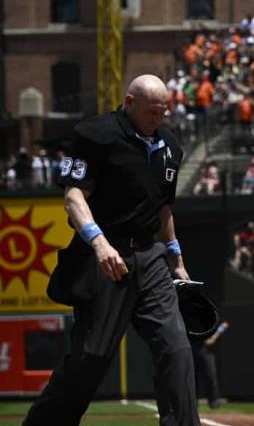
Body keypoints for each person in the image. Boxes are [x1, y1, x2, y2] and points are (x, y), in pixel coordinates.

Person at [25, 75, 199, 425]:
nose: (159, 118)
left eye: (164, 111)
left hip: (151, 259)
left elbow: (164, 209)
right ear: (129, 101)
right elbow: (73, 197)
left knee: (176, 348)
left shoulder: (169, 144)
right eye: (152, 111)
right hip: (105, 258)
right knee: (90, 358)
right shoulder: (95, 134)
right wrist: (99, 243)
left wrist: (176, 259)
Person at [194, 321, 229, 409]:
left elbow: (224, 324)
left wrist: (214, 337)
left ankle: (214, 402)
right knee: (193, 378)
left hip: (207, 349)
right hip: (193, 348)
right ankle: (193, 402)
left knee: (210, 376)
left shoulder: (213, 313)